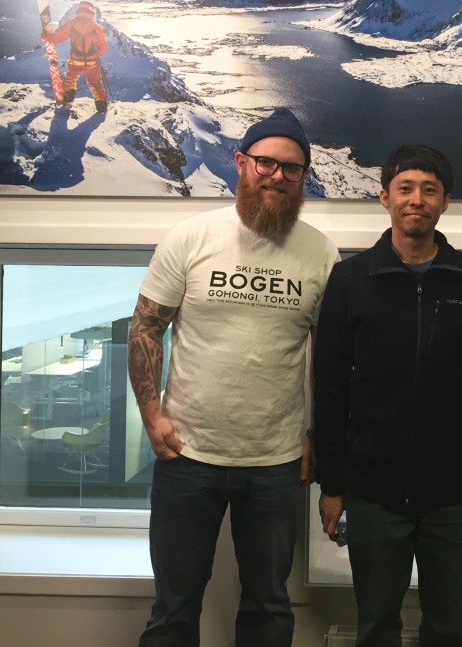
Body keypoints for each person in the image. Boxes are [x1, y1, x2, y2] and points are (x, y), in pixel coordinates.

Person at [130, 107, 339, 647]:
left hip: (275, 461)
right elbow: (146, 328)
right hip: (186, 455)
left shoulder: (321, 252)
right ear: (241, 163)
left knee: (269, 605)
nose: (277, 176)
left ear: (303, 177)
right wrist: (151, 416)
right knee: (174, 607)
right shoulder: (191, 236)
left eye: (291, 168)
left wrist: (316, 436)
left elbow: (327, 358)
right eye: (266, 163)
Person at [314, 144, 462, 647]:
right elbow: (330, 387)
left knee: (447, 629)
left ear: (445, 202)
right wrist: (331, 485)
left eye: (429, 190)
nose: (416, 199)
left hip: (453, 490)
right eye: (405, 188)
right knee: (377, 626)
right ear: (385, 198)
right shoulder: (350, 279)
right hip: (373, 489)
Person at [41, 0, 110, 112]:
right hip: (92, 63)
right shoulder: (96, 28)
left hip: (75, 61)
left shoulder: (71, 24)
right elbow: (103, 48)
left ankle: (67, 102)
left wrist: (47, 37)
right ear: (91, 12)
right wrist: (95, 53)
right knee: (96, 84)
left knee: (70, 80)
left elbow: (57, 37)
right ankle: (101, 107)